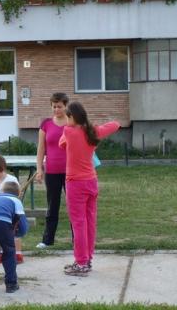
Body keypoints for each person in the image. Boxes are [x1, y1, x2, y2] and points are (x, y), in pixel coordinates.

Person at [59, 101, 119, 276]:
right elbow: (115, 125)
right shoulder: (93, 132)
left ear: (71, 117)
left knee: (78, 223)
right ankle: (88, 258)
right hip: (91, 182)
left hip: (75, 184)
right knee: (90, 222)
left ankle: (81, 262)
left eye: (67, 116)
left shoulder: (68, 131)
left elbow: (62, 144)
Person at [35, 93, 69, 249]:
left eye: (59, 106)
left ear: (66, 106)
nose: (56, 109)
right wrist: (39, 169)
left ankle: (78, 239)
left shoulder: (72, 123)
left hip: (71, 172)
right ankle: (47, 240)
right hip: (52, 171)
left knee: (73, 206)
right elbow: (41, 149)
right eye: (54, 106)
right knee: (52, 206)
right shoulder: (46, 124)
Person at [0, 154, 24, 263]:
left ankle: (18, 254)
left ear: (1, 168)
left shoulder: (11, 179)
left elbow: (17, 194)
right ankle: (3, 253)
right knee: (2, 233)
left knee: (15, 233)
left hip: (12, 211)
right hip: (1, 213)